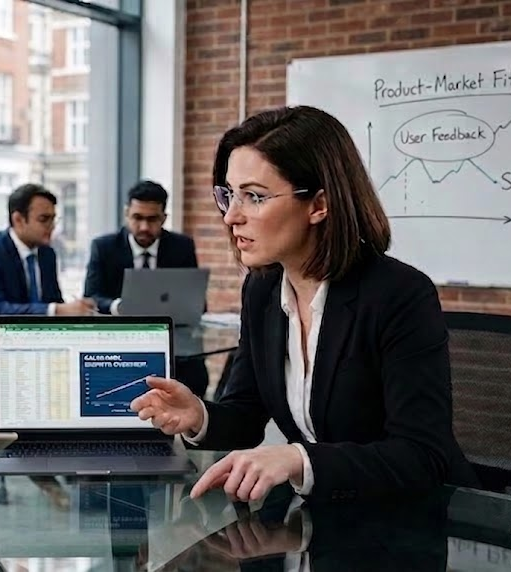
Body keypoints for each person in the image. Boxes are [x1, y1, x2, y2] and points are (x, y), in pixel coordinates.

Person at [130, 105, 477, 503]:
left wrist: (299, 459)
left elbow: (421, 455)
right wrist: (199, 416)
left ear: (318, 205)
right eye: (229, 195)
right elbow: (245, 414)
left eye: (254, 197)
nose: (231, 217)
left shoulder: (399, 295)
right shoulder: (261, 291)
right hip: (325, 519)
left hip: (413, 522)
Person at [0, 183, 94, 388]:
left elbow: (53, 301)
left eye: (53, 219)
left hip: (32, 342)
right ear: (18, 219)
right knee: (37, 365)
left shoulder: (47, 254)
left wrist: (75, 312)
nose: (52, 226)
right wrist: (58, 310)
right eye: (44, 219)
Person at [83, 179, 199, 315]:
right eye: (137, 218)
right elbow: (90, 298)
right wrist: (119, 306)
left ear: (164, 219)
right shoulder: (103, 247)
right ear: (127, 214)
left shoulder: (182, 247)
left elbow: (197, 302)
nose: (144, 227)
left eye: (152, 219)